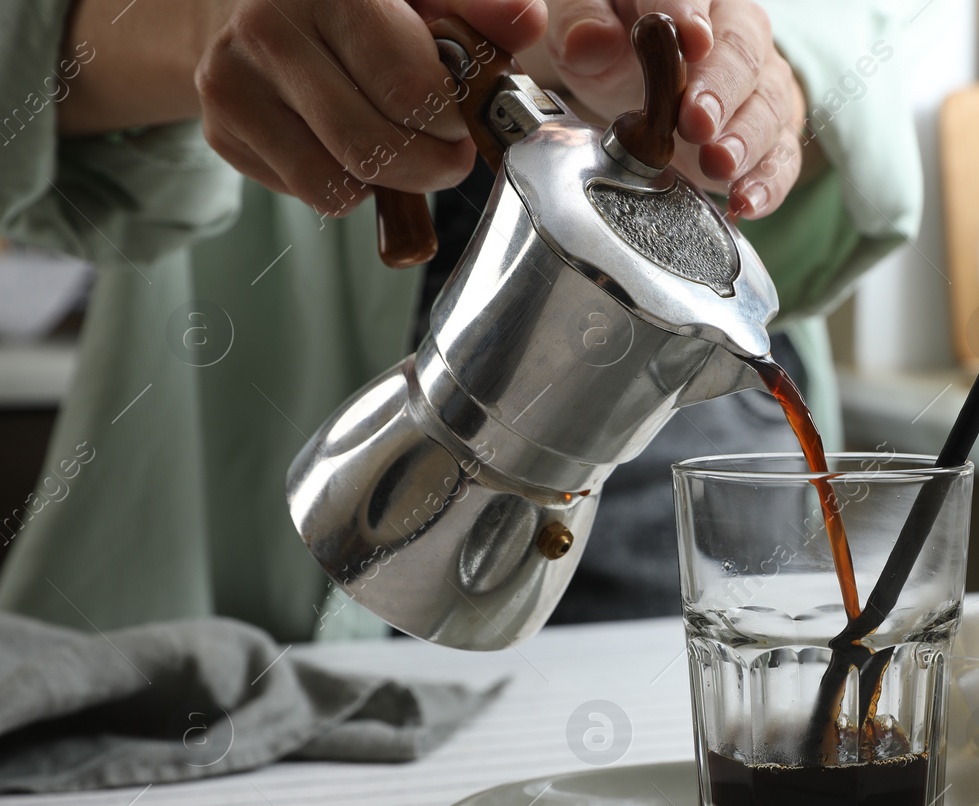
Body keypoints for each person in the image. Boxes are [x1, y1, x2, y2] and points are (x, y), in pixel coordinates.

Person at [0, 0, 919, 638]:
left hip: (660, 450)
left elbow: (851, 30)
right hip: (242, 435)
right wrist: (205, 27)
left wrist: (756, 65)